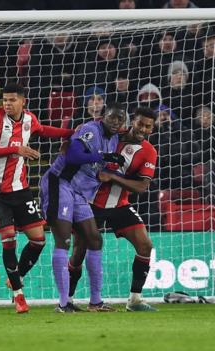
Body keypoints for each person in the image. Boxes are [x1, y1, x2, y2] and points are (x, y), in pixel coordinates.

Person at [0, 82, 74, 313]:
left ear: (23, 101)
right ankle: (19, 295)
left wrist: (71, 133)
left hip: (19, 189)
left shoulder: (29, 119)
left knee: (38, 239)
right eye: (5, 100)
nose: (7, 104)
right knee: (9, 237)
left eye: (12, 100)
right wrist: (16, 149)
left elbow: (43, 130)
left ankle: (16, 276)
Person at [39, 102, 127, 313]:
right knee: (64, 240)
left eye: (120, 119)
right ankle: (63, 303)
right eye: (112, 117)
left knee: (94, 239)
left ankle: (95, 302)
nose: (116, 122)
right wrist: (104, 157)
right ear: (103, 115)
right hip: (59, 183)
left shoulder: (114, 138)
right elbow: (73, 156)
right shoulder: (90, 129)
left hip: (78, 192)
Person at [69, 107, 158, 312]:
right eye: (140, 123)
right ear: (132, 121)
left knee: (145, 246)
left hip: (119, 205)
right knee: (78, 251)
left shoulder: (149, 151)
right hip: (90, 204)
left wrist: (113, 177)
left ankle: (135, 300)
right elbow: (85, 138)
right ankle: (68, 300)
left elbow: (142, 187)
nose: (143, 129)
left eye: (148, 126)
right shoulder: (111, 134)